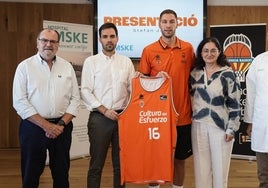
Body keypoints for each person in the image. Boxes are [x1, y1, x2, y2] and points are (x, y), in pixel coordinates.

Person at [12, 28, 81, 188]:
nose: (48, 44)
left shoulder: (66, 67)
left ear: (58, 45)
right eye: (44, 40)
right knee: (31, 174)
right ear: (37, 43)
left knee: (62, 173)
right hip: (33, 128)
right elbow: (19, 101)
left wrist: (61, 124)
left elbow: (75, 99)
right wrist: (46, 126)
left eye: (53, 41)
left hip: (62, 128)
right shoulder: (25, 67)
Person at [139, 9, 195, 188]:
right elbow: (142, 84)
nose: (168, 25)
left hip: (183, 115)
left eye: (172, 22)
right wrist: (155, 79)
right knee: (155, 159)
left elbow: (194, 79)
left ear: (177, 23)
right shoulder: (148, 50)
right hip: (157, 116)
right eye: (165, 22)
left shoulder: (188, 48)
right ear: (159, 24)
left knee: (179, 160)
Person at [80, 22, 135, 188]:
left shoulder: (126, 62)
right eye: (105, 37)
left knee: (121, 166)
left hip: (122, 118)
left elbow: (133, 90)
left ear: (117, 39)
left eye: (112, 36)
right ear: (100, 39)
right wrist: (104, 110)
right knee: (96, 164)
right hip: (99, 118)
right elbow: (86, 91)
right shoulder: (91, 62)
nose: (109, 40)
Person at [189, 37, 241, 188]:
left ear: (219, 52)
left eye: (213, 50)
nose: (209, 54)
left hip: (220, 127)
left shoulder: (228, 74)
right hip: (198, 126)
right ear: (201, 53)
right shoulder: (195, 73)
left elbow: (235, 105)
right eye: (205, 50)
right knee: (201, 171)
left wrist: (232, 128)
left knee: (220, 173)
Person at [244, 51, 268, 188]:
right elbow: (251, 94)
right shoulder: (259, 60)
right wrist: (250, 121)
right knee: (263, 172)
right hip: (262, 121)